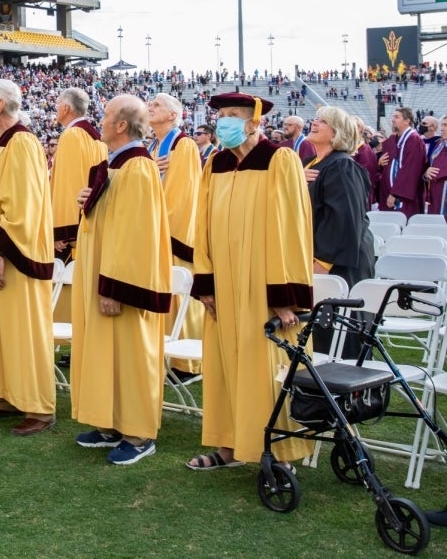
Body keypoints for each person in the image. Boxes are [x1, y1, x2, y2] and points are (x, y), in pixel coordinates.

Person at [188, 92, 313, 470]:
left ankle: (278, 452)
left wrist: (283, 294)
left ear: (254, 122)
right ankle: (229, 447)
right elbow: (203, 223)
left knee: (265, 367)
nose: (223, 121)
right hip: (224, 281)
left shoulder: (279, 160)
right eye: (220, 115)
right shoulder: (217, 163)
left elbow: (289, 227)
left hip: (262, 282)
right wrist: (205, 283)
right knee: (226, 363)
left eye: (232, 115)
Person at [71, 95, 172, 464]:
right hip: (100, 271)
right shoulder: (113, 165)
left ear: (120, 125)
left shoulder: (138, 167)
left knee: (130, 353)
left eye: (107, 115)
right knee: (106, 351)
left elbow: (135, 233)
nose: (100, 120)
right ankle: (110, 422)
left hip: (120, 280)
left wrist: (114, 286)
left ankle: (139, 433)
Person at [0, 79, 57, 436]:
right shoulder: (1, 145)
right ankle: (5, 394)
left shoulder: (22, 143)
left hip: (14, 251)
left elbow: (22, 204)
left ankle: (38, 405)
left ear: (0, 105)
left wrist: (0, 253)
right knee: (1, 327)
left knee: (22, 328)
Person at [303, 106, 375, 357]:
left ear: (337, 132)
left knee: (341, 336)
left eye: (323, 121)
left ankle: (352, 393)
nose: (315, 122)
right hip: (316, 255)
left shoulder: (343, 166)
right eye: (316, 118)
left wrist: (322, 263)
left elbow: (343, 220)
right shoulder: (310, 163)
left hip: (338, 262)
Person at [147, 93, 204, 377]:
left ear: (172, 115)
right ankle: (165, 353)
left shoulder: (183, 145)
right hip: (154, 229)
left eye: (156, 105)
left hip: (173, 233)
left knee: (181, 292)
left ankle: (187, 363)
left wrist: (161, 229)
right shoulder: (153, 146)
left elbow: (182, 196)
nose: (149, 107)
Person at [50, 87, 107, 259]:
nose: (56, 108)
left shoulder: (71, 135)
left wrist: (62, 232)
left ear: (66, 108)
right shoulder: (97, 138)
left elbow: (68, 185)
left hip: (72, 231)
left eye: (58, 104)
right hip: (91, 220)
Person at [377, 107, 425, 219]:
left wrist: (395, 194)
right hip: (389, 192)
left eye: (396, 117)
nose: (392, 120)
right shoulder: (395, 139)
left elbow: (410, 170)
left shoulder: (413, 140)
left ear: (407, 121)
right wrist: (379, 163)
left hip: (402, 196)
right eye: (393, 116)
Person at [425, 117, 447, 215]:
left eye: (445, 125)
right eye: (442, 125)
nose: (442, 128)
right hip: (435, 191)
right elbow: (431, 164)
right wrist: (426, 172)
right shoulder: (440, 143)